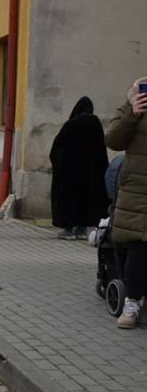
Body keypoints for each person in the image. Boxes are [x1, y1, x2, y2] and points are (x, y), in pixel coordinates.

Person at [106, 76, 147, 329]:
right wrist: (133, 112)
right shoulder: (135, 99)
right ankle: (132, 303)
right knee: (140, 246)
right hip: (139, 190)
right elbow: (113, 140)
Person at [50, 96, 109, 239]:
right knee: (88, 200)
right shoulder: (96, 124)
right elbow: (101, 150)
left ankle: (69, 230)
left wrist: (59, 165)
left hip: (70, 173)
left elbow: (57, 148)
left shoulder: (71, 124)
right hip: (92, 173)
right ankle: (83, 229)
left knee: (69, 200)